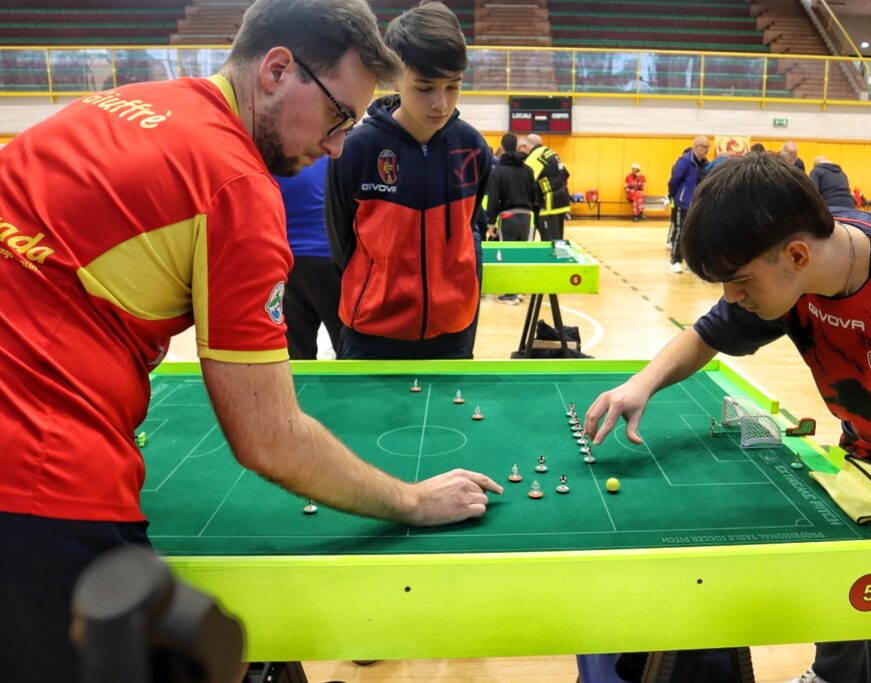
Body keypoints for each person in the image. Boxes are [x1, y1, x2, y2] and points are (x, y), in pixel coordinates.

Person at [0, 1, 503, 680]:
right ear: (275, 71)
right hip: (36, 473)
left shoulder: (125, 102)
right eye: (336, 118)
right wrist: (413, 500)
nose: (335, 146)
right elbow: (267, 435)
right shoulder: (236, 182)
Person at [585, 153, 871, 683]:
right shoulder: (791, 274)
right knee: (845, 604)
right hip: (865, 462)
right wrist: (642, 383)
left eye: (739, 281)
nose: (733, 297)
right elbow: (708, 333)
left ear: (796, 253)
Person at [324, 1, 491, 360]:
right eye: (425, 87)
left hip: (453, 336)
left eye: (453, 86)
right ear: (396, 76)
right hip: (370, 337)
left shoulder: (473, 149)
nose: (440, 103)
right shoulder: (356, 150)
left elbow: (470, 229)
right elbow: (342, 245)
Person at [274, 155, 344, 359]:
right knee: (348, 346)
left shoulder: (273, 161)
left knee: (296, 352)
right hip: (327, 258)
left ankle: (297, 390)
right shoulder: (332, 157)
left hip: (287, 263)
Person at [485, 132, 538, 303]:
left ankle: (510, 293)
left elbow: (493, 198)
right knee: (522, 254)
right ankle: (519, 289)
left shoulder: (498, 171)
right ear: (516, 146)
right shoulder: (528, 170)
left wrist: (491, 222)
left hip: (508, 217)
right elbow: (535, 195)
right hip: (526, 217)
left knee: (507, 255)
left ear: (502, 145)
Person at [666, 135, 709, 273]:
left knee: (695, 234)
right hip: (683, 203)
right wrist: (674, 196)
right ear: (696, 146)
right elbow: (674, 181)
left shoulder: (705, 164)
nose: (707, 150)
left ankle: (691, 263)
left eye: (708, 147)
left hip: (697, 204)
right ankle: (675, 260)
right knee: (681, 232)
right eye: (705, 147)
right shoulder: (684, 161)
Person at [523, 132, 571, 240]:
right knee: (558, 239)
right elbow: (566, 174)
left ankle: (551, 256)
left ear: (527, 146)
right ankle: (558, 255)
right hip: (562, 200)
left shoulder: (535, 156)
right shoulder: (551, 152)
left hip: (549, 203)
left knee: (549, 241)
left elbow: (526, 180)